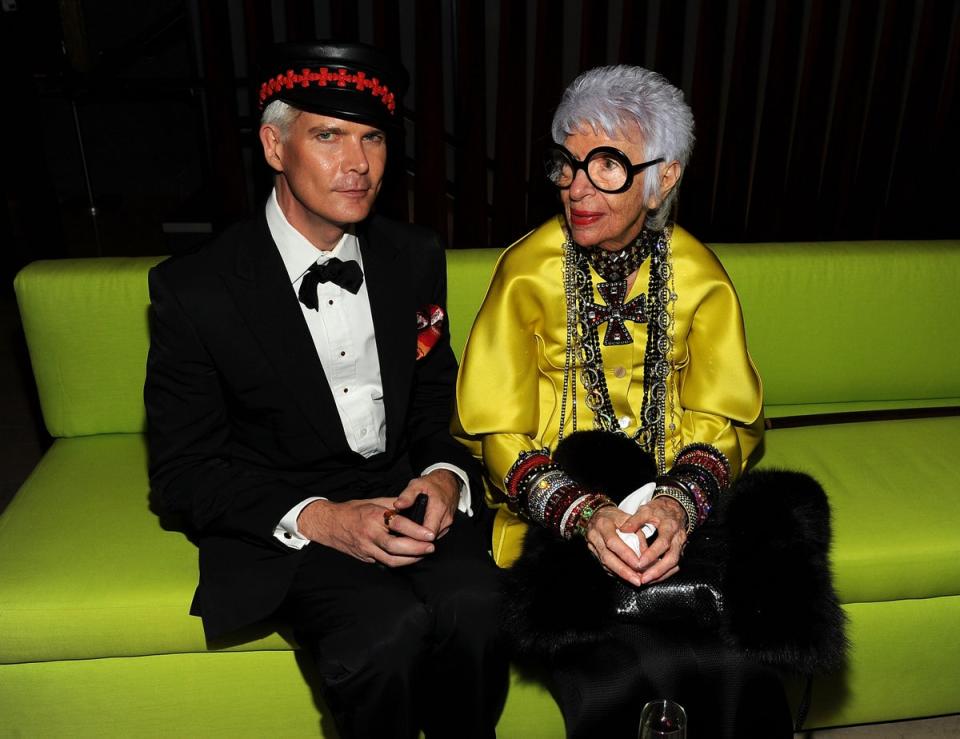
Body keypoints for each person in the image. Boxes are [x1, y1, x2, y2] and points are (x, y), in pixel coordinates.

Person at [145, 41, 506, 739]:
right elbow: (183, 474)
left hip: (406, 489)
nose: (359, 163)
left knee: (481, 604)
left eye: (372, 137)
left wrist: (443, 477)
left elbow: (436, 396)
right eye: (329, 135)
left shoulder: (413, 255)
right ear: (275, 146)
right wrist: (321, 518)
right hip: (290, 512)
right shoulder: (196, 289)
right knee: (382, 635)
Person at [454, 65, 794, 737]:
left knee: (740, 671)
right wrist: (584, 515)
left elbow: (728, 419)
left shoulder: (699, 274)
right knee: (627, 677)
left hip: (677, 521)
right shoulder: (526, 273)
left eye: (606, 166)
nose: (576, 187)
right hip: (555, 522)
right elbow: (496, 432)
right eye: (567, 164)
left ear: (663, 177)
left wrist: (676, 503)